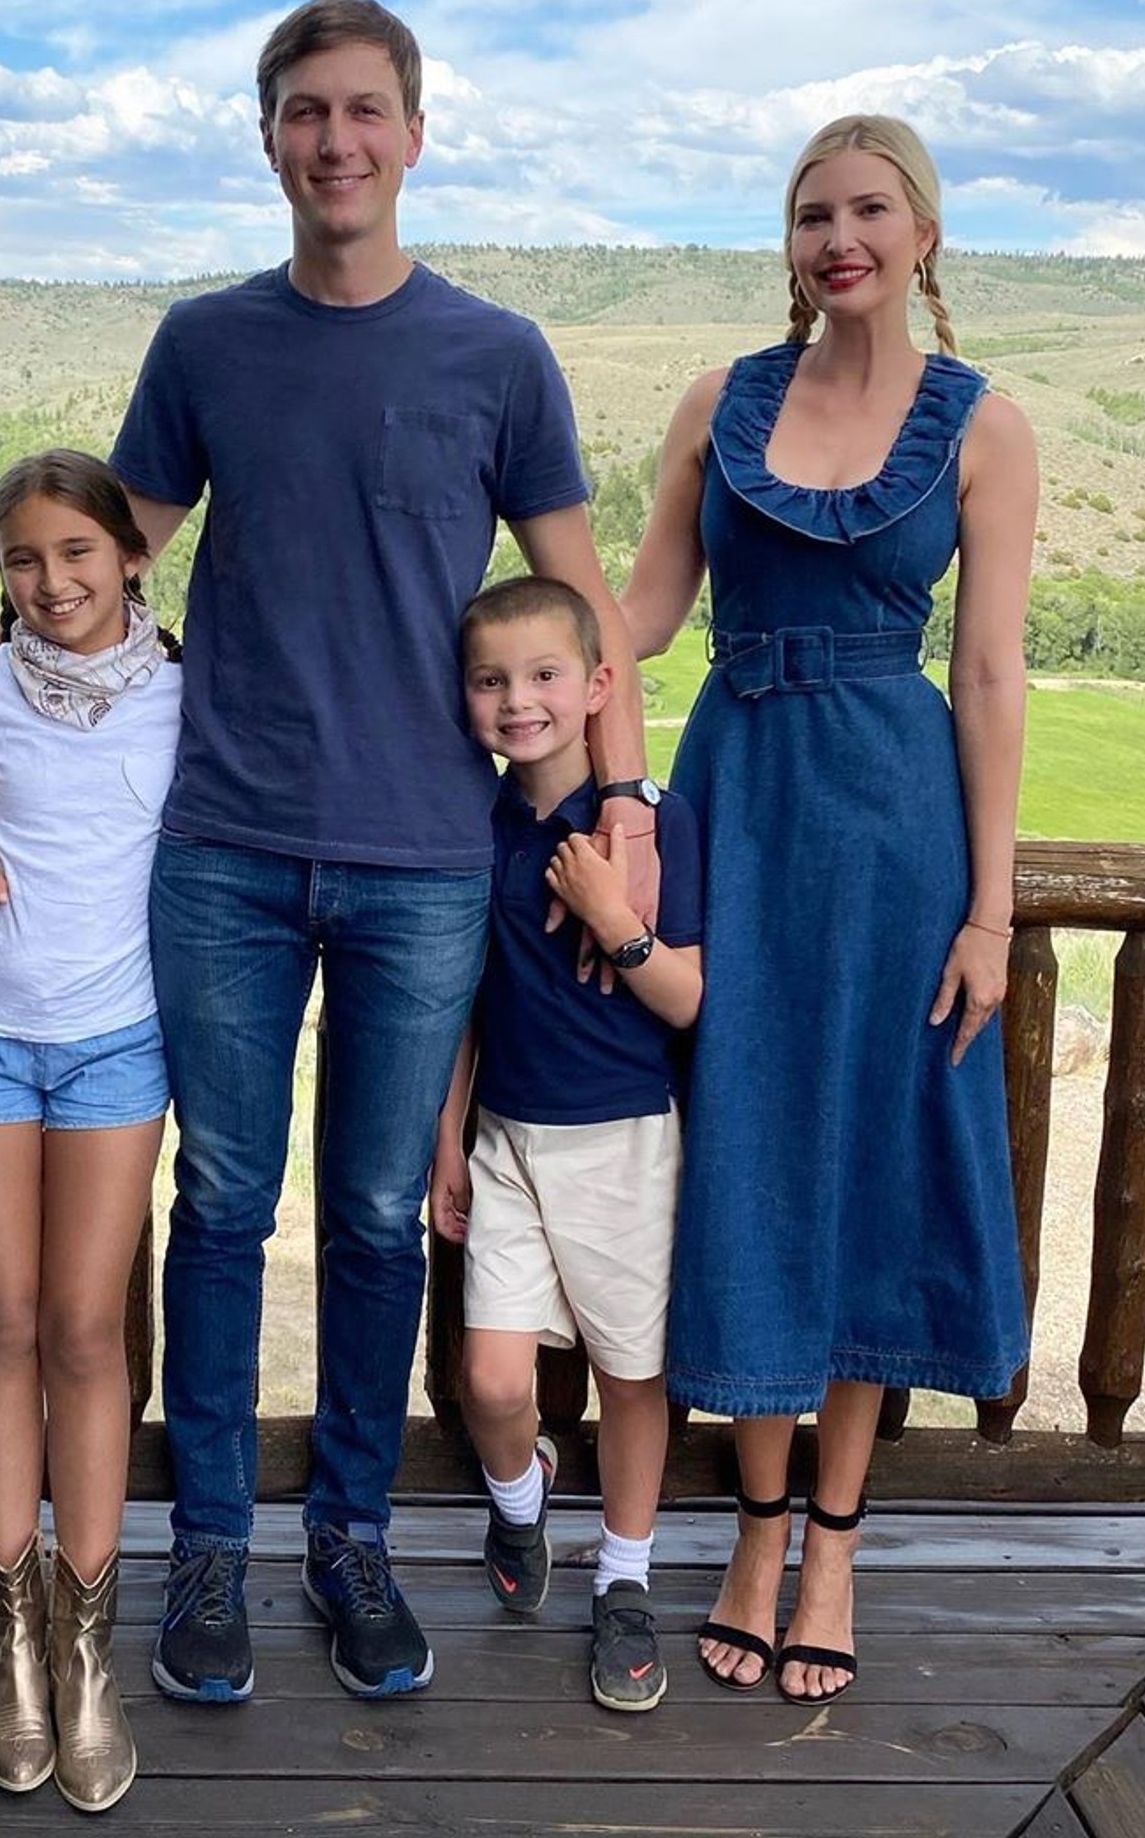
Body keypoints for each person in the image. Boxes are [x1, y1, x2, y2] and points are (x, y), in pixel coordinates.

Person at [0, 0, 656, 1705]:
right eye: (308, 112)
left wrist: (624, 801)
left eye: (366, 110)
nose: (337, 141)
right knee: (225, 1205)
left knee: (379, 1217)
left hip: (424, 856)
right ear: (268, 138)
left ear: (415, 134)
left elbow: (582, 597)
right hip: (224, 848)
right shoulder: (206, 345)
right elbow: (96, 568)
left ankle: (353, 1542)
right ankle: (213, 1556)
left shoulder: (499, 356)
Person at [620, 114, 1036, 1703]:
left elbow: (987, 676)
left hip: (895, 829)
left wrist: (990, 912)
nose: (838, 238)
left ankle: (836, 1546)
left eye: (868, 210)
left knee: (866, 1166)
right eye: (813, 215)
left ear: (923, 233)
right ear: (788, 244)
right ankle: (755, 1531)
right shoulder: (716, 401)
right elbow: (644, 617)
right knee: (751, 1148)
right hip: (738, 806)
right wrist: (486, 627)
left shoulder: (987, 426)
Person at [0, 450, 180, 1811]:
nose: (51, 579)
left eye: (76, 551)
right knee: (4, 1320)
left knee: (85, 1329)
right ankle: (11, 1639)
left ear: (132, 554)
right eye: (23, 558)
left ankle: (87, 1646)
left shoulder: (187, 695)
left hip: (117, 1044)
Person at [429, 577, 703, 1713]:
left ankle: (625, 1577)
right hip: (506, 1136)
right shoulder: (477, 822)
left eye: (544, 675)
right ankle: (519, 1497)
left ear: (597, 686)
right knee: (492, 1380)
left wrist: (612, 918)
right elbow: (464, 1004)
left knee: (631, 1374)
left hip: (626, 1139)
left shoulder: (652, 823)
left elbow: (686, 999)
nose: (518, 701)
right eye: (490, 680)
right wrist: (448, 1138)